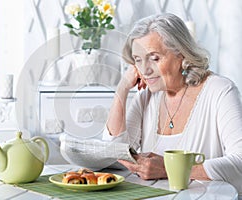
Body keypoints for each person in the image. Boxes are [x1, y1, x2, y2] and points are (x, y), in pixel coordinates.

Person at [102, 13, 242, 195]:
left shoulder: (220, 90)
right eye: (138, 59)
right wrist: (122, 89)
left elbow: (240, 161)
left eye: (154, 58)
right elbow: (113, 153)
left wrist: (169, 169)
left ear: (181, 55)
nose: (145, 70)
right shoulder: (146, 96)